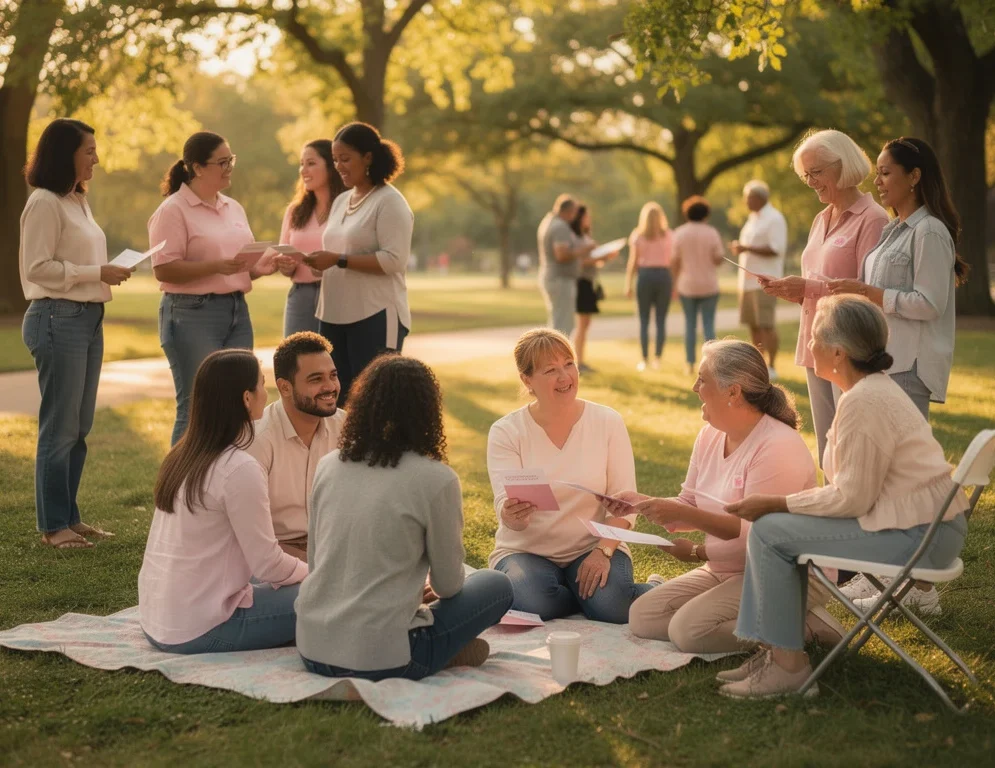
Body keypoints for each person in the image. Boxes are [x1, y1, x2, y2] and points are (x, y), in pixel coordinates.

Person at [720, 295, 968, 699]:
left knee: (769, 532)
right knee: (773, 530)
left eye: (814, 337)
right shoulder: (869, 391)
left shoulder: (865, 401)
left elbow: (852, 499)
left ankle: (788, 668)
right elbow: (856, 493)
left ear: (837, 352)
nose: (808, 344)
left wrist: (776, 503)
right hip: (924, 527)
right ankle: (775, 653)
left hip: (922, 536)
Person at [297, 356, 514, 680]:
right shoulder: (436, 479)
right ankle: (445, 653)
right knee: (497, 584)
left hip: (312, 648)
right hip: (385, 659)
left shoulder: (328, 465)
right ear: (427, 412)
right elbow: (449, 585)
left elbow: (316, 563)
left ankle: (446, 649)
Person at [620, 340, 840, 653]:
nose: (695, 386)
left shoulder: (777, 446)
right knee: (643, 617)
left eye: (702, 379)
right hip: (730, 569)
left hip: (784, 572)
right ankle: (770, 621)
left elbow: (753, 537)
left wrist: (696, 550)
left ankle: (810, 629)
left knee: (687, 632)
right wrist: (638, 502)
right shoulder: (710, 434)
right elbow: (689, 505)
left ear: (733, 392)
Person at [139, 349, 308, 654]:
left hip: (159, 619)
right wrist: (318, 574)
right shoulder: (238, 468)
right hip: (202, 628)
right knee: (333, 594)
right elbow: (268, 565)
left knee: (293, 582)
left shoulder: (182, 455)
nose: (265, 392)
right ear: (246, 398)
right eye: (262, 384)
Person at [18, 118, 134, 550]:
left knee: (79, 426)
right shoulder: (44, 202)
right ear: (64, 153)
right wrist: (96, 271)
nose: (97, 160)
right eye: (89, 151)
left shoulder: (76, 200)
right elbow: (36, 268)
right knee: (59, 426)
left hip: (87, 317)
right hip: (56, 317)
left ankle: (70, 516)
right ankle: (53, 527)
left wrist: (102, 275)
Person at [487, 329, 653, 623]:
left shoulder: (607, 422)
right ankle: (580, 597)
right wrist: (514, 515)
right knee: (532, 603)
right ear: (527, 380)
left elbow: (626, 507)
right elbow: (507, 511)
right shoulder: (506, 432)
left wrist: (603, 552)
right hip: (526, 551)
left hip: (592, 545)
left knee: (613, 608)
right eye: (551, 370)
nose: (565, 377)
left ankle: (651, 590)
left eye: (569, 364)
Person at [759, 130, 889, 463]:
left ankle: (848, 508)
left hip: (847, 346)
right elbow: (816, 283)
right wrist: (793, 290)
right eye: (806, 175)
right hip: (815, 341)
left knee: (848, 443)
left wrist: (808, 288)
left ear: (843, 165)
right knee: (826, 446)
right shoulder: (821, 218)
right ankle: (829, 508)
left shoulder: (872, 219)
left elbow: (866, 290)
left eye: (817, 172)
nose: (811, 181)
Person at [825, 137, 968, 421]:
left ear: (914, 175)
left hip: (907, 367)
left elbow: (929, 304)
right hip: (884, 363)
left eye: (886, 173)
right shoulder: (894, 230)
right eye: (877, 173)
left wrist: (869, 292)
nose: (877, 181)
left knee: (902, 461)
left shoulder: (929, 231)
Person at [149, 131, 275, 446]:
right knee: (197, 407)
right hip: (191, 315)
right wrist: (216, 266)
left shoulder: (234, 208)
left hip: (235, 310)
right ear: (197, 167)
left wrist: (264, 268)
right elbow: (163, 268)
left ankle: (225, 484)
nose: (229, 166)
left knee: (239, 401)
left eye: (230, 159)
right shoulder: (173, 210)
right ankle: (177, 492)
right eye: (222, 162)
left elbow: (237, 268)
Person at [302, 122, 413, 406]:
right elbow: (337, 251)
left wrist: (337, 260)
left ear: (368, 157)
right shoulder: (341, 201)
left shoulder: (390, 202)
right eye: (335, 159)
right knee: (337, 402)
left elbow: (394, 260)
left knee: (374, 402)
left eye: (345, 159)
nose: (338, 166)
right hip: (333, 314)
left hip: (374, 314)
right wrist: (319, 264)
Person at [246, 332, 346, 561]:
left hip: (332, 547)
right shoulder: (258, 440)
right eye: (316, 379)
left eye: (333, 375)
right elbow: (250, 539)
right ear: (284, 388)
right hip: (275, 555)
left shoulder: (347, 428)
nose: (330, 386)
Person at [269, 140, 346, 336]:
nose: (303, 170)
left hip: (337, 295)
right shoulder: (295, 211)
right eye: (301, 164)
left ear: (331, 167)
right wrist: (286, 267)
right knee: (295, 359)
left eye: (311, 163)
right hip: (300, 296)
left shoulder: (348, 208)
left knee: (335, 361)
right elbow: (284, 252)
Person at [731, 181, 787, 379]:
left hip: (764, 280)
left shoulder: (774, 219)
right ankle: (759, 365)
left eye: (748, 198)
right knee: (753, 325)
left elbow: (775, 248)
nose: (746, 202)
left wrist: (746, 248)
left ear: (759, 198)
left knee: (766, 324)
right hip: (746, 281)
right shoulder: (752, 219)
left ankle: (772, 366)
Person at [671, 196, 725, 376]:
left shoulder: (679, 233)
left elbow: (675, 261)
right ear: (705, 214)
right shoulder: (711, 233)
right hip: (709, 285)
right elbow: (718, 259)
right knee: (709, 325)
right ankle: (711, 364)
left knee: (689, 325)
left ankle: (690, 363)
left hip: (687, 285)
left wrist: (674, 283)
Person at [537, 194, 597, 337]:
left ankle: (553, 357)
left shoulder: (549, 222)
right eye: (575, 212)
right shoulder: (560, 226)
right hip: (560, 279)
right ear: (569, 211)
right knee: (563, 326)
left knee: (558, 321)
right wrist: (585, 249)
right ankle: (556, 357)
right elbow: (561, 255)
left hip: (554, 277)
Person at [625, 202, 673, 372]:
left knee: (644, 320)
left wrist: (628, 283)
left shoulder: (638, 235)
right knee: (661, 320)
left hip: (645, 276)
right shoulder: (668, 235)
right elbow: (672, 260)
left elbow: (633, 262)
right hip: (663, 276)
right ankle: (658, 358)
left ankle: (644, 359)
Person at [571, 204, 619, 373]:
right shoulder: (576, 238)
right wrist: (599, 256)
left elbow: (593, 262)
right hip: (581, 282)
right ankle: (577, 362)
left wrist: (605, 258)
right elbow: (579, 262)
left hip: (589, 282)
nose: (589, 219)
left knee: (585, 324)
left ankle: (580, 360)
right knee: (582, 324)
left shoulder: (585, 236)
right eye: (586, 216)